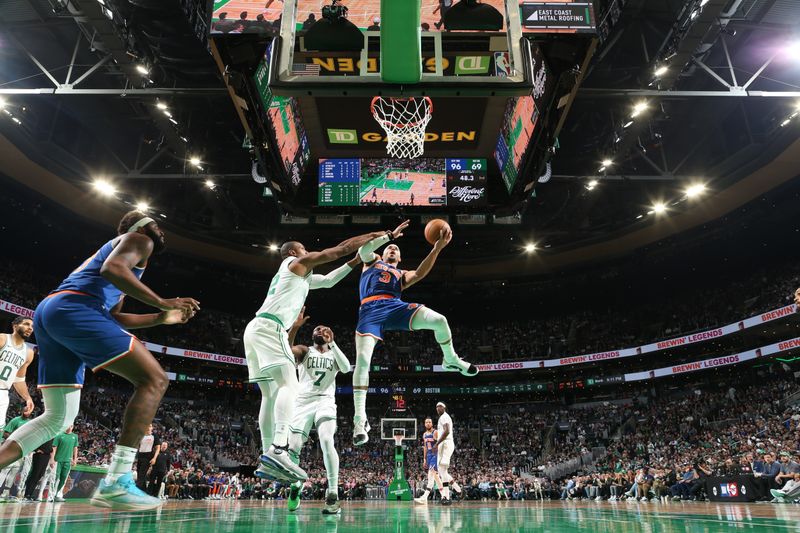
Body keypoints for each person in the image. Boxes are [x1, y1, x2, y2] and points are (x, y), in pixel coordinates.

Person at [0, 210, 200, 511]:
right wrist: (162, 301)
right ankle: (117, 480)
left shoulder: (125, 261)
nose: (159, 230)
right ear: (136, 226)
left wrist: (160, 318)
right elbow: (112, 269)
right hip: (73, 308)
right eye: (153, 224)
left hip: (54, 313)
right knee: (155, 379)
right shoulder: (138, 240)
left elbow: (114, 316)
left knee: (57, 418)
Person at [245, 223, 408, 483]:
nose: (307, 251)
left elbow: (330, 280)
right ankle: (278, 449)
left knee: (270, 393)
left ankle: (267, 455)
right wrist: (382, 235)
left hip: (253, 330)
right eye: (304, 249)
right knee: (290, 385)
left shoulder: (298, 278)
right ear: (294, 252)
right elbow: (338, 250)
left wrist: (355, 261)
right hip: (270, 327)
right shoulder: (295, 264)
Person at [351, 225, 477, 445]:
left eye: (395, 249)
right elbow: (363, 250)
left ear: (400, 258)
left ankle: (450, 359)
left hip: (395, 307)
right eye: (389, 247)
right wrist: (388, 236)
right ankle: (359, 419)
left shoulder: (400, 274)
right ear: (382, 252)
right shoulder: (371, 261)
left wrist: (437, 248)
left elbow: (419, 273)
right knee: (362, 362)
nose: (392, 249)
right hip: (370, 311)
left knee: (440, 321)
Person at [285, 314, 351, 515]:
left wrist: (334, 344)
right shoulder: (305, 351)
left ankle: (332, 493)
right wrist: (294, 328)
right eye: (316, 329)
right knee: (293, 447)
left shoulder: (334, 354)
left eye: (324, 329)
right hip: (303, 401)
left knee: (326, 440)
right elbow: (286, 352)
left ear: (330, 335)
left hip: (325, 401)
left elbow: (347, 368)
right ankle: (296, 486)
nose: (319, 330)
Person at [0, 316, 36, 431]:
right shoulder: (2, 339)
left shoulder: (29, 353)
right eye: (26, 324)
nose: (30, 328)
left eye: (32, 326)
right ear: (15, 326)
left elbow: (19, 379)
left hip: (3, 394)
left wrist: (28, 398)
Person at [0, 410, 33, 501]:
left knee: (14, 470)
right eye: (25, 410)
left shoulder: (30, 423)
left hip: (21, 451)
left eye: (28, 410)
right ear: (22, 410)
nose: (26, 412)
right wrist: (15, 440)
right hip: (10, 449)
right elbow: (6, 432)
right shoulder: (15, 420)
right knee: (5, 470)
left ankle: (5, 493)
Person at [433, 402, 461, 505]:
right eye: (436, 407)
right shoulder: (442, 418)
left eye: (440, 406)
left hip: (445, 444)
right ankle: (458, 490)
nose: (438, 408)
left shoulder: (444, 417)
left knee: (443, 470)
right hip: (444, 444)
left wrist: (437, 442)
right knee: (441, 471)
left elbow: (447, 431)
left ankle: (446, 497)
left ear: (444, 408)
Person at [413, 417, 444, 504]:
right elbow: (425, 447)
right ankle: (444, 495)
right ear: (424, 424)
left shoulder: (435, 432)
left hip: (436, 455)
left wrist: (440, 454)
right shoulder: (424, 435)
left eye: (429, 422)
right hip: (429, 456)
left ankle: (425, 497)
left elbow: (441, 444)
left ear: (432, 423)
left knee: (431, 475)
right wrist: (424, 459)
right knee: (435, 477)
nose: (428, 424)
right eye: (426, 422)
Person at [51, 425, 79, 502]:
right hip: (58, 460)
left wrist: (75, 460)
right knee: (55, 478)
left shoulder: (75, 436)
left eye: (71, 426)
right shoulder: (59, 435)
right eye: (68, 426)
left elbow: (75, 448)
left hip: (68, 461)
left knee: (64, 478)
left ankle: (58, 495)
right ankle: (51, 496)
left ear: (73, 427)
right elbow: (54, 447)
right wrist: (52, 459)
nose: (69, 428)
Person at [135, 423, 159, 490]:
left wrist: (154, 458)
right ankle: (144, 491)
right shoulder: (141, 435)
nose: (148, 427)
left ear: (152, 428)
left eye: (150, 426)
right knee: (139, 473)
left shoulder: (154, 436)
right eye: (147, 426)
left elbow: (158, 448)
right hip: (140, 455)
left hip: (148, 456)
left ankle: (136, 491)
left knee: (141, 475)